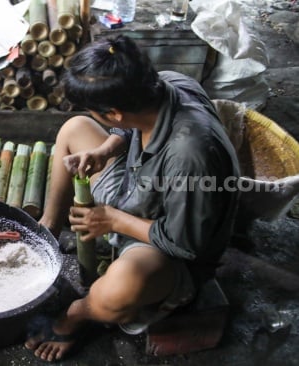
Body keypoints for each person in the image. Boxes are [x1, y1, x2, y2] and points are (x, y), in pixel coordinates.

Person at [25, 35, 240, 362]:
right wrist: (104, 150)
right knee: (73, 129)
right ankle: (48, 229)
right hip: (139, 185)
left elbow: (184, 243)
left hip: (171, 243)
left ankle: (77, 315)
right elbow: (130, 128)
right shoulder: (163, 83)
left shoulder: (192, 154)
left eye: (97, 112)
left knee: (122, 287)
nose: (96, 118)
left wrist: (112, 220)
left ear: (113, 112)